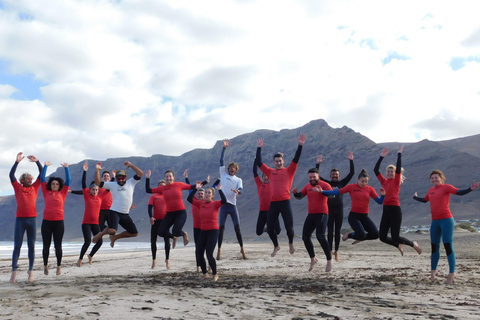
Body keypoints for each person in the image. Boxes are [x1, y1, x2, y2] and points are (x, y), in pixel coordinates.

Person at [413, 170, 479, 284]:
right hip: (435, 222)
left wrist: (470, 189)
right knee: (434, 247)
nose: (434, 179)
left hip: (446, 220)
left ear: (441, 178)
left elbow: (459, 192)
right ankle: (433, 272)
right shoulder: (431, 190)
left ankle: (452, 273)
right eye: (432, 178)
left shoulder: (446, 187)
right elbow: (425, 200)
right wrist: (415, 197)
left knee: (447, 245)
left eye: (436, 177)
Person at [256, 133, 307, 257]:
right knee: (270, 228)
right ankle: (276, 246)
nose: (278, 163)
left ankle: (290, 243)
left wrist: (300, 145)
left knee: (289, 228)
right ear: (273, 162)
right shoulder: (270, 171)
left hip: (285, 202)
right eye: (276, 161)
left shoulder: (289, 170)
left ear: (283, 161)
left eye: (280, 161)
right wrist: (259, 148)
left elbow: (296, 158)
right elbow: (258, 162)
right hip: (273, 204)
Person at [374, 146, 422, 256]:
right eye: (388, 171)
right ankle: (398, 245)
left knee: (395, 236)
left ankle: (413, 244)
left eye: (392, 172)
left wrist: (399, 154)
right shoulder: (384, 182)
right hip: (386, 210)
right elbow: (375, 170)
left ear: (395, 173)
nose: (390, 173)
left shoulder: (396, 181)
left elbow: (399, 168)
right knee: (382, 237)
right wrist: (382, 156)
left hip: (395, 210)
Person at [318, 169, 385, 244]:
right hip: (354, 217)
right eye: (362, 181)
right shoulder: (352, 187)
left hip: (364, 217)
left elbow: (379, 201)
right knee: (362, 234)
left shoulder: (370, 189)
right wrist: (323, 191)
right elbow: (337, 192)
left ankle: (360, 237)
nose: (364, 183)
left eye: (366, 181)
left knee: (376, 234)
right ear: (358, 180)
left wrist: (383, 195)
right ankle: (351, 235)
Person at [9, 152, 43, 283]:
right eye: (28, 179)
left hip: (32, 219)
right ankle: (14, 273)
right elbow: (11, 175)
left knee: (31, 246)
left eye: (31, 179)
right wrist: (17, 162)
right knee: (17, 246)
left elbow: (41, 174)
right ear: (22, 180)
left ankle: (30, 271)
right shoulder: (18, 187)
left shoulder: (35, 187)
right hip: (20, 220)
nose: (31, 180)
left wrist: (37, 161)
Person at [92, 161, 143, 247]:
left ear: (125, 177)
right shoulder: (112, 185)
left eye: (122, 178)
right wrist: (97, 170)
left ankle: (115, 238)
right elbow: (97, 183)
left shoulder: (131, 182)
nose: (121, 180)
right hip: (114, 211)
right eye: (118, 178)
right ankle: (101, 234)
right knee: (112, 230)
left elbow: (140, 173)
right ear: (116, 179)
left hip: (125, 214)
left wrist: (131, 165)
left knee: (134, 233)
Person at [292, 168, 333, 272]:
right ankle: (313, 258)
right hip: (311, 214)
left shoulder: (324, 185)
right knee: (305, 237)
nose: (312, 179)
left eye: (314, 177)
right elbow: (300, 196)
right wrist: (295, 193)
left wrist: (322, 191)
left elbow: (332, 195)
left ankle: (329, 260)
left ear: (318, 176)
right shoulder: (308, 186)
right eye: (310, 177)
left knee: (321, 236)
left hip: (322, 213)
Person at [316, 151, 354, 262]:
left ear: (339, 176)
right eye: (333, 174)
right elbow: (317, 176)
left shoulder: (342, 183)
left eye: (336, 174)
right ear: (330, 176)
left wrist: (351, 161)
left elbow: (352, 173)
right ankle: (330, 252)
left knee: (337, 231)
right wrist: (318, 164)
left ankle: (336, 251)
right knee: (330, 231)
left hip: (339, 210)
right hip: (329, 210)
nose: (335, 176)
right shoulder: (327, 184)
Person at [145, 169, 193, 253]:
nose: (168, 178)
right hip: (170, 214)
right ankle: (174, 237)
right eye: (166, 176)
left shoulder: (178, 185)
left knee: (176, 231)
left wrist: (205, 182)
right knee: (161, 232)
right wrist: (147, 178)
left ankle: (184, 234)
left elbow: (191, 186)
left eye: (170, 176)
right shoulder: (162, 188)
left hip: (180, 212)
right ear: (165, 178)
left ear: (173, 177)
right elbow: (148, 190)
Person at [187, 182, 227, 281]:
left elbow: (224, 201)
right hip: (203, 231)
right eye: (206, 192)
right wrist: (196, 189)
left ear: (212, 195)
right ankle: (205, 273)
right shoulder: (200, 204)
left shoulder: (215, 204)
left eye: (209, 193)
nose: (207, 194)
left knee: (209, 254)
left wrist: (220, 190)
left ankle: (215, 274)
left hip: (213, 231)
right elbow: (189, 199)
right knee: (199, 252)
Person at [72, 162, 107, 267]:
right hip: (86, 223)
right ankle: (80, 259)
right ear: (90, 190)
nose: (95, 191)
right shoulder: (87, 197)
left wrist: (113, 178)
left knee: (100, 242)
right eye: (93, 190)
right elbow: (83, 185)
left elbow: (110, 188)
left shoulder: (100, 197)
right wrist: (85, 172)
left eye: (96, 190)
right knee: (87, 242)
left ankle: (90, 255)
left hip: (95, 223)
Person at [40, 161, 71, 276]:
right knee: (46, 245)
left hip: (58, 222)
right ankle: (45, 265)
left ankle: (59, 266)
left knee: (58, 246)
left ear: (59, 186)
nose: (54, 185)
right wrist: (45, 166)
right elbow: (42, 178)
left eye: (56, 184)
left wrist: (66, 168)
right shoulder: (45, 191)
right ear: (50, 185)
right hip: (46, 222)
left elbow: (68, 181)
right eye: (53, 184)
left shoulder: (63, 193)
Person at [217, 139, 246, 260]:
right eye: (231, 167)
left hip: (233, 206)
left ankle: (242, 249)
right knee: (221, 228)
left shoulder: (238, 179)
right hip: (223, 206)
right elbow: (221, 161)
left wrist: (238, 192)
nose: (232, 169)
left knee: (237, 228)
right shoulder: (223, 174)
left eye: (234, 168)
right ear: (228, 169)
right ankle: (219, 250)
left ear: (236, 170)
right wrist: (224, 148)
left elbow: (241, 189)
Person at [145, 170, 171, 270]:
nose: (161, 186)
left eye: (163, 185)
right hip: (155, 221)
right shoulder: (154, 196)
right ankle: (154, 259)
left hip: (165, 221)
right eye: (159, 185)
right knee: (153, 241)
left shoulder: (168, 195)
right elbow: (149, 207)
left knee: (167, 241)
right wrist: (151, 217)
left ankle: (167, 259)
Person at [253, 159, 280, 236]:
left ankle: (269, 227)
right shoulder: (259, 184)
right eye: (264, 176)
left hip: (273, 210)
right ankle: (267, 228)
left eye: (267, 175)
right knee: (259, 232)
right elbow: (255, 172)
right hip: (263, 211)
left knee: (277, 231)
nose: (265, 177)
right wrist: (256, 160)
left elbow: (279, 172)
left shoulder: (274, 183)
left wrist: (280, 157)